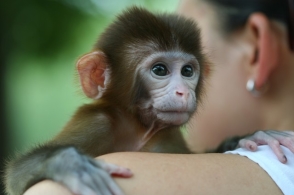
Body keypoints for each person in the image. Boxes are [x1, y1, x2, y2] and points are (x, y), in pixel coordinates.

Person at [24, 0, 294, 194]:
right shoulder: (100, 124)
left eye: (188, 71)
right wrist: (59, 161)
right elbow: (23, 175)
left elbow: (193, 166)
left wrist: (235, 144)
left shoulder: (165, 135)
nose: (182, 90)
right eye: (160, 69)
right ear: (98, 75)